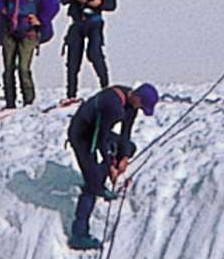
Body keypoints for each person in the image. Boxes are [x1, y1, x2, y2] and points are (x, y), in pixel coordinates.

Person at [66, 82, 159, 250]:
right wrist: (111, 167)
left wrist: (123, 158)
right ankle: (78, 235)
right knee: (92, 183)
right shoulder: (113, 105)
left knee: (129, 148)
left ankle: (99, 182)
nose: (140, 109)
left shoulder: (131, 105)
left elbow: (125, 134)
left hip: (98, 130)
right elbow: (101, 140)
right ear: (137, 97)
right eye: (142, 105)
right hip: (81, 134)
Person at [60, 0, 118, 99]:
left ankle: (105, 88)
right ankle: (71, 94)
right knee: (73, 59)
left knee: (95, 53)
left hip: (94, 22)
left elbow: (112, 4)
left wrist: (99, 3)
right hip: (77, 22)